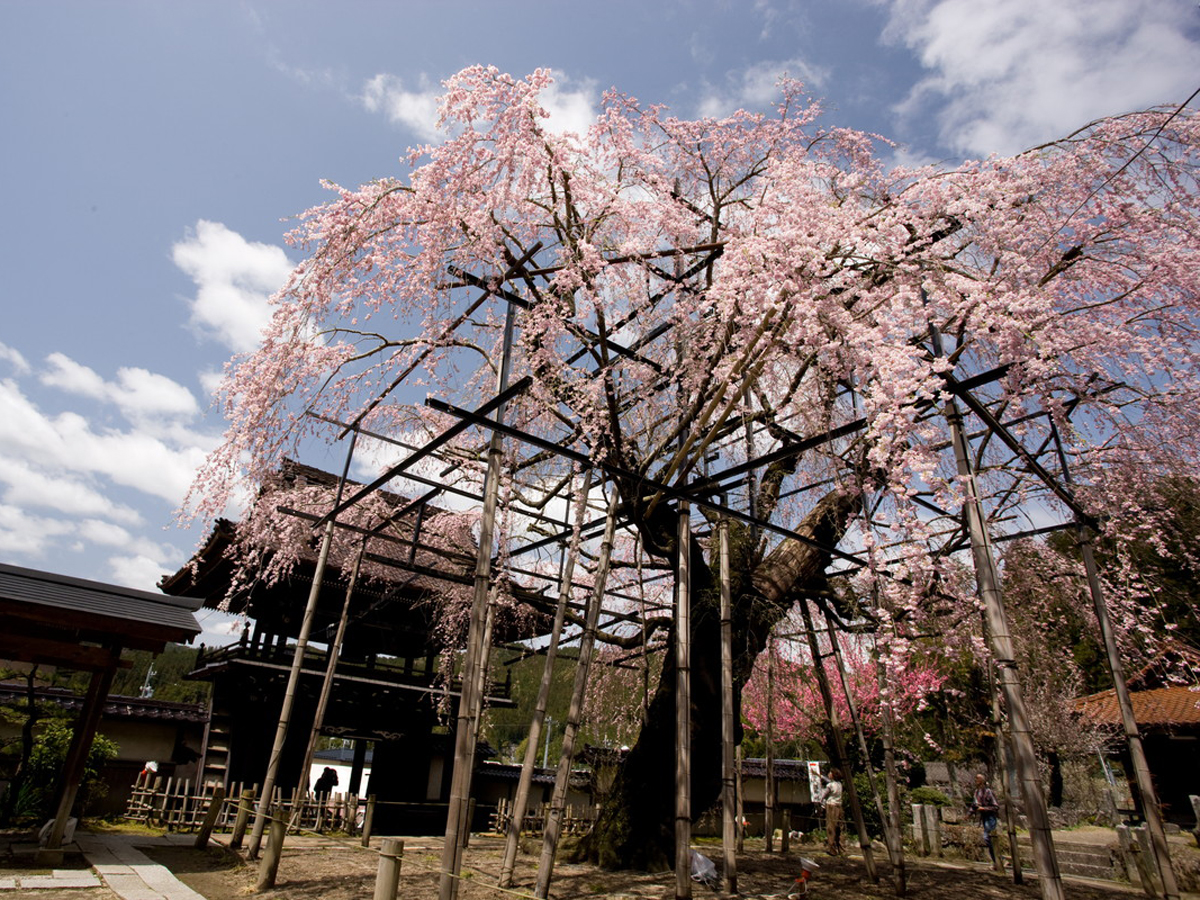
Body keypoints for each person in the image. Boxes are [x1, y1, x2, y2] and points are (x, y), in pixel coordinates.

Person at [970, 773, 1000, 863]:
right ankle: (997, 860)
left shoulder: (988, 791)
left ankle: (998, 859)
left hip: (990, 816)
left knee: (988, 837)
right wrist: (969, 814)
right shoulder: (976, 792)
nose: (976, 780)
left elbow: (995, 806)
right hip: (983, 817)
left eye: (978, 779)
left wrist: (984, 808)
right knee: (988, 838)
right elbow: (974, 805)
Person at [814, 767, 844, 855]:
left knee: (831, 827)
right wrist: (820, 776)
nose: (829, 774)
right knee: (840, 827)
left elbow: (823, 795)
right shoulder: (839, 784)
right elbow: (827, 780)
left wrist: (818, 800)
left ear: (833, 775)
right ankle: (841, 848)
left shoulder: (830, 785)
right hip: (839, 805)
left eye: (830, 773)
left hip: (831, 806)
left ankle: (832, 849)